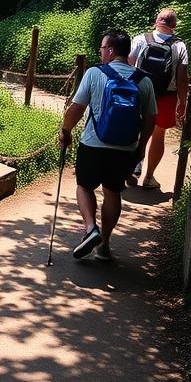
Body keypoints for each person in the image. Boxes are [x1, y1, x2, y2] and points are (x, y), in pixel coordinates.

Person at [56, 30, 156, 261]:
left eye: (102, 48)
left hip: (93, 144)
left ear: (110, 50)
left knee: (84, 186)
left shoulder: (94, 73)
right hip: (125, 149)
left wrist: (66, 131)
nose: (100, 52)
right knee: (112, 192)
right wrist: (141, 148)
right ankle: (105, 246)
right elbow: (151, 119)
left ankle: (91, 228)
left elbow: (76, 108)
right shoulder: (144, 80)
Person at [127, 7, 189, 189]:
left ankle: (132, 167)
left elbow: (128, 64)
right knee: (158, 134)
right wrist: (182, 101)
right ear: (174, 25)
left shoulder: (140, 39)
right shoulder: (180, 46)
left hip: (139, 92)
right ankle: (149, 177)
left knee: (136, 130)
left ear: (156, 21)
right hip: (167, 96)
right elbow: (182, 76)